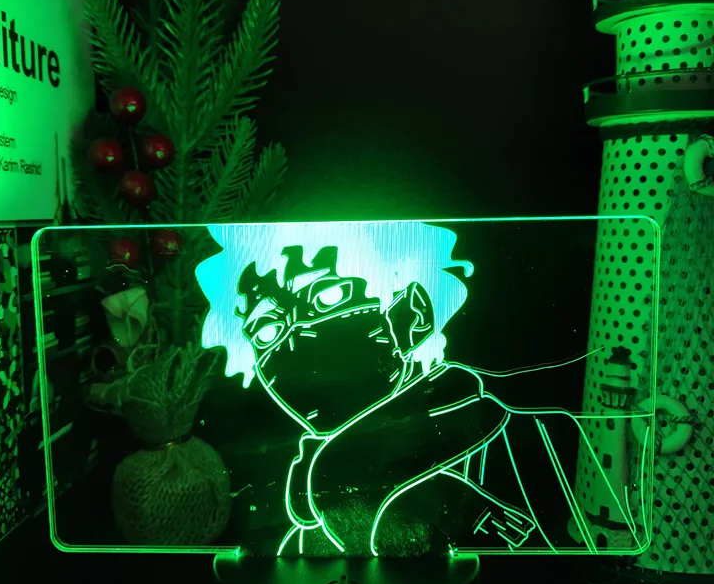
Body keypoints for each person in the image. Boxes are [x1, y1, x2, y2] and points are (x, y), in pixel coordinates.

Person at [195, 221, 645, 556]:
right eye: (267, 330)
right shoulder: (301, 499)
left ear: (410, 313)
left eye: (329, 296)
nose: (296, 340)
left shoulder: (500, 427)